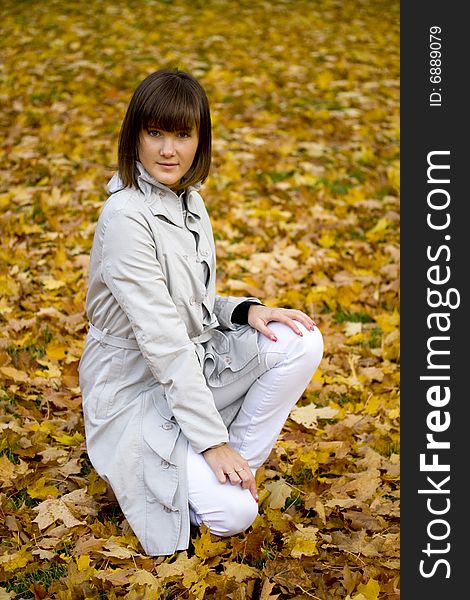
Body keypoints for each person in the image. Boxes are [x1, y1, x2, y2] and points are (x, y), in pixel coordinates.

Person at [78, 68, 323, 557]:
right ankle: (209, 463)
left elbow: (190, 303)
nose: (168, 150)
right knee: (234, 516)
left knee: (299, 341)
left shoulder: (190, 202)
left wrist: (244, 311)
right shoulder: (126, 217)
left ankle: (234, 466)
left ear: (199, 141)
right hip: (132, 387)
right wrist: (212, 442)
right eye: (155, 133)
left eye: (182, 135)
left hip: (189, 365)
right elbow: (162, 338)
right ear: (135, 138)